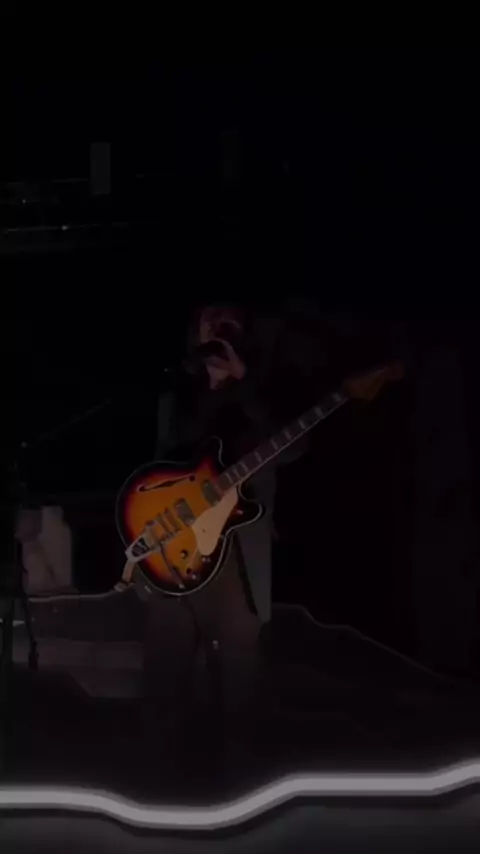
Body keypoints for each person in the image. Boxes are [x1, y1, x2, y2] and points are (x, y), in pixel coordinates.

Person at [11, 301, 327, 766]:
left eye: (229, 318)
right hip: (174, 554)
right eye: (209, 319)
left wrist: (242, 382)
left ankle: (239, 785)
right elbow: (161, 469)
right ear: (195, 333)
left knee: (239, 690)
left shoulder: (268, 387)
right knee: (163, 685)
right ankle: (161, 781)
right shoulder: (178, 393)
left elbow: (295, 446)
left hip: (237, 558)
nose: (218, 326)